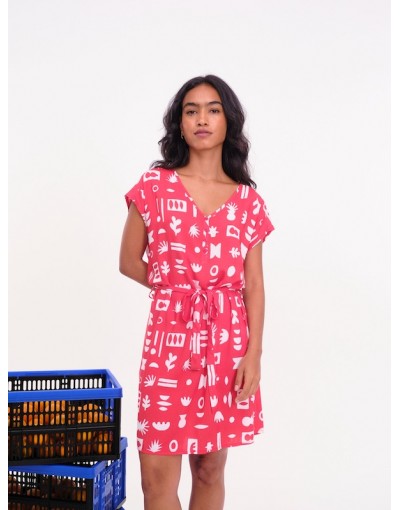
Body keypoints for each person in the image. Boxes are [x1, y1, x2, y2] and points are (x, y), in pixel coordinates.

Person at [119, 74, 274, 510]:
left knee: (209, 468)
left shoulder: (247, 202)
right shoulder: (153, 187)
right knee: (155, 478)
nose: (202, 119)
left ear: (228, 122)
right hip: (169, 340)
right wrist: (177, 289)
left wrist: (254, 355)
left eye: (213, 110)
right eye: (191, 111)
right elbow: (129, 261)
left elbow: (254, 285)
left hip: (226, 344)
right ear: (180, 123)